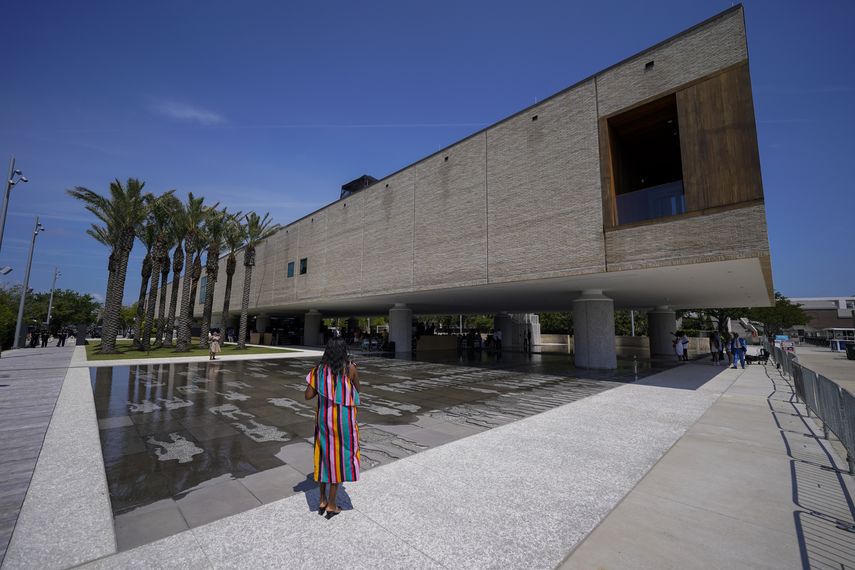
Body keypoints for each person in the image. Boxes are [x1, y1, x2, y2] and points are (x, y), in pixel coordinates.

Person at [304, 338, 361, 517]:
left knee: (323, 456)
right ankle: (332, 504)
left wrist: (320, 383)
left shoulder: (318, 371)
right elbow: (358, 390)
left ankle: (322, 499)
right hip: (344, 419)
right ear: (344, 351)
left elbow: (307, 396)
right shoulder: (350, 368)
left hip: (324, 420)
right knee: (340, 457)